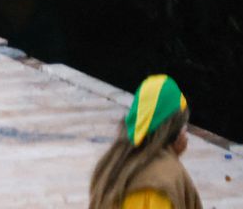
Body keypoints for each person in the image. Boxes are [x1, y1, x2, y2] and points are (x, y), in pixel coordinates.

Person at [87, 75, 202, 209]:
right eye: (183, 126)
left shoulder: (115, 163)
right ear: (172, 132)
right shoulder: (155, 185)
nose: (186, 134)